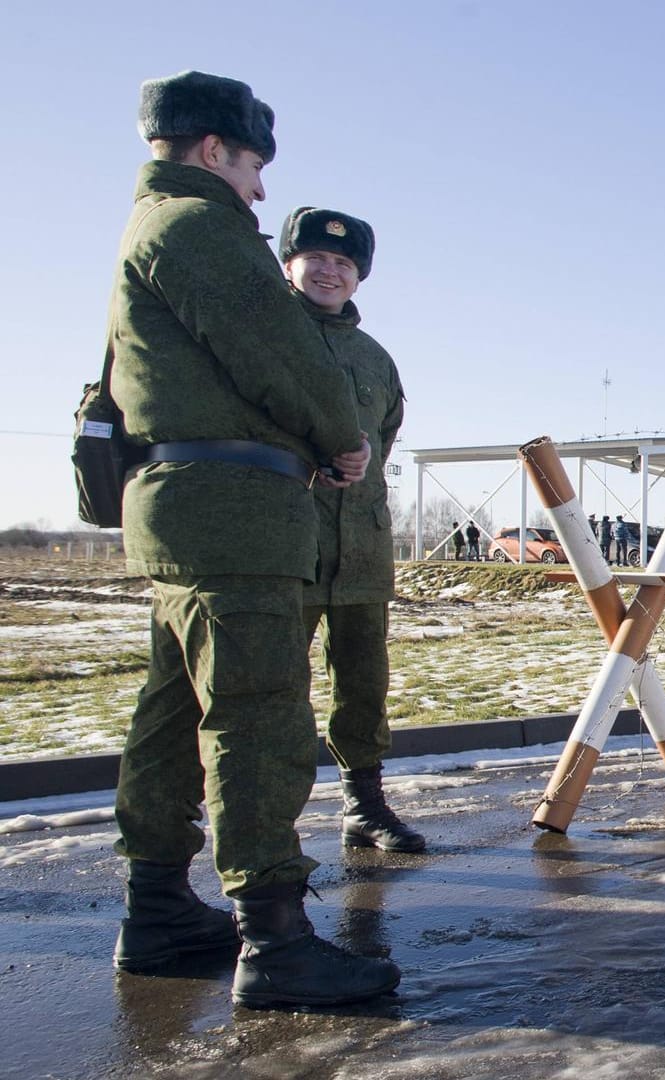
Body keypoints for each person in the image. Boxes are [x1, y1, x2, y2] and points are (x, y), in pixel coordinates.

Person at [107, 71, 399, 1008]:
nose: (261, 192)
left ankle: (155, 911)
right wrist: (340, 436)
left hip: (190, 511)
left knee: (172, 714)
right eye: (253, 166)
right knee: (259, 717)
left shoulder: (153, 228)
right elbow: (282, 356)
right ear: (211, 151)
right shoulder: (200, 228)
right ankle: (274, 944)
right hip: (235, 516)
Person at [280, 207, 423, 854]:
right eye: (318, 259)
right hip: (286, 542)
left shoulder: (374, 357)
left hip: (360, 547)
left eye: (345, 265)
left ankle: (363, 805)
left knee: (364, 681)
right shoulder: (264, 334)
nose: (330, 272)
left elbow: (385, 435)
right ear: (290, 264)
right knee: (275, 686)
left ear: (359, 279)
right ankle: (267, 831)